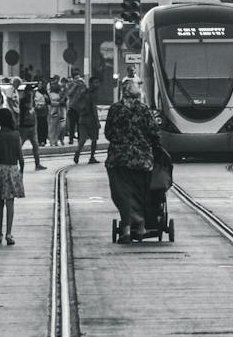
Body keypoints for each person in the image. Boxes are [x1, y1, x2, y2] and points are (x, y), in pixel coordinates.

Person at [104, 79, 162, 241]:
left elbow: (108, 133)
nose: (140, 88)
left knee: (122, 194)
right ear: (132, 91)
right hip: (141, 159)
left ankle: (127, 230)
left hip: (118, 159)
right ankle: (141, 227)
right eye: (138, 86)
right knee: (140, 194)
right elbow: (153, 132)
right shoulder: (143, 109)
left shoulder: (115, 109)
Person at [0, 107, 26, 246]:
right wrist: (21, 171)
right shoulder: (16, 135)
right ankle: (9, 233)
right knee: (10, 203)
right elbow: (20, 157)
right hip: (12, 169)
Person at [67, 70, 99, 164]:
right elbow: (93, 108)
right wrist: (97, 121)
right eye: (95, 82)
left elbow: (75, 102)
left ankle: (78, 152)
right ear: (91, 83)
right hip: (91, 119)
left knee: (82, 139)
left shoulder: (83, 91)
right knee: (94, 139)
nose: (97, 84)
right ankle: (92, 157)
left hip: (82, 117)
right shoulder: (92, 94)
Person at [17, 79, 47, 172]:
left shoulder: (32, 100)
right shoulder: (23, 101)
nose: (33, 93)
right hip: (24, 127)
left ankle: (37, 164)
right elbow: (27, 110)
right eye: (31, 91)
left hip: (32, 126)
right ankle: (18, 164)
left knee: (35, 146)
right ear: (27, 92)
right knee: (19, 146)